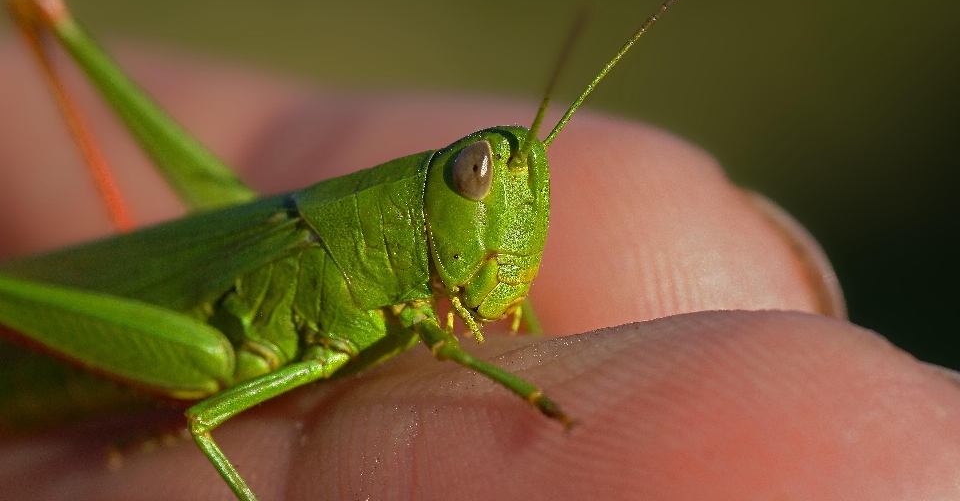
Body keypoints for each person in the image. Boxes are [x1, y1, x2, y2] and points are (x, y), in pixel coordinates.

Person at [1, 42, 958, 499]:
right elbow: (207, 419)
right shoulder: (384, 282)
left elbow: (445, 323)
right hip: (180, 348)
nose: (502, 205)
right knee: (213, 396)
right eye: (479, 180)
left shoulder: (422, 281)